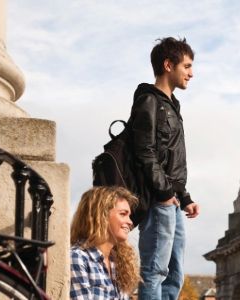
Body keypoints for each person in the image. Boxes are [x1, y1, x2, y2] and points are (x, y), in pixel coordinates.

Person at [130, 37, 200, 299]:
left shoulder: (172, 105)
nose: (191, 74)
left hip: (172, 200)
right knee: (154, 270)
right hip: (160, 199)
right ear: (168, 65)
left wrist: (184, 197)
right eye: (187, 66)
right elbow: (144, 151)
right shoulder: (148, 101)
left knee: (175, 273)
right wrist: (165, 192)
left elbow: (170, 159)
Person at [70, 186, 140, 299]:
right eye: (123, 214)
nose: (130, 222)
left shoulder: (118, 262)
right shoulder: (78, 257)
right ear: (101, 216)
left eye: (129, 215)